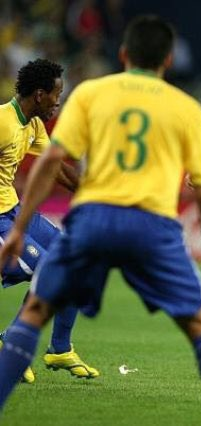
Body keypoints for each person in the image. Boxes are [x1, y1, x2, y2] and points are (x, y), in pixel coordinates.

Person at [0, 16, 201, 425]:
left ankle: (51, 350)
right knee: (199, 323)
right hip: (153, 225)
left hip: (93, 217)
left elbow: (52, 163)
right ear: (168, 60)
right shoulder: (186, 108)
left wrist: (22, 226)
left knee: (38, 306)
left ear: (123, 54)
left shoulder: (92, 93)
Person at [0, 58, 98, 383]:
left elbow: (55, 166)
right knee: (48, 272)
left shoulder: (33, 124)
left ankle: (59, 347)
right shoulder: (2, 122)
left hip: (15, 210)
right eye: (57, 94)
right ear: (40, 94)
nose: (59, 101)